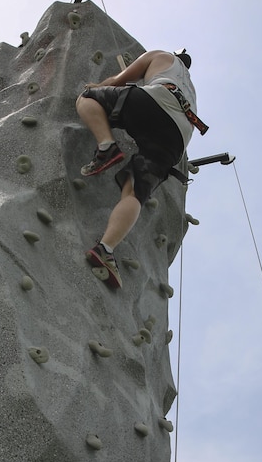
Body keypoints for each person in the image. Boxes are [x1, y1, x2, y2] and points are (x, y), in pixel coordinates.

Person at [75, 49, 203, 288]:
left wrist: (99, 85)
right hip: (178, 138)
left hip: (157, 100)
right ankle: (106, 249)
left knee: (87, 98)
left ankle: (107, 146)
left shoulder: (162, 56)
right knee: (134, 193)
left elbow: (118, 81)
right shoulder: (192, 89)